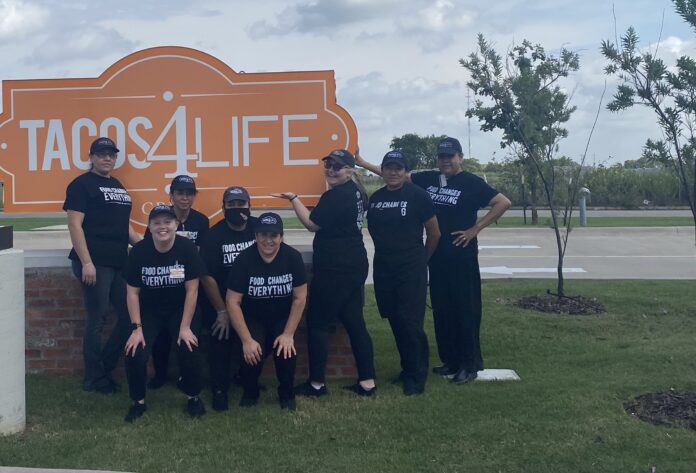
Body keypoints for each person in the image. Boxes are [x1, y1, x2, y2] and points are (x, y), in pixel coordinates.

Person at [356, 137, 511, 385]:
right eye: (442, 157)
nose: (446, 161)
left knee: (465, 310)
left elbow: (503, 202)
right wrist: (362, 162)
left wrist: (475, 229)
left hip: (461, 256)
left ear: (460, 157)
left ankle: (469, 364)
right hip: (436, 257)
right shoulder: (428, 179)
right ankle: (449, 359)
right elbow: (393, 175)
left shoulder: (471, 182)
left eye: (450, 156)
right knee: (442, 310)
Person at [274, 149, 377, 397]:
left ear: (350, 171)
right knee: (355, 323)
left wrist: (294, 199)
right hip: (355, 263)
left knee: (318, 322)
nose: (331, 169)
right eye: (328, 165)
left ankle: (316, 384)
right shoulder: (356, 192)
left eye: (337, 167)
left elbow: (312, 224)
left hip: (335, 268)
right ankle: (367, 381)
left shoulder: (337, 196)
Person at [63, 137, 142, 394]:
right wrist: (87, 262)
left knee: (130, 317)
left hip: (120, 261)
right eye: (102, 154)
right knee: (96, 320)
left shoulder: (118, 185)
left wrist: (143, 245)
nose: (108, 158)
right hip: (95, 262)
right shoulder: (80, 185)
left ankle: (105, 368)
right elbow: (75, 225)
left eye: (112, 154)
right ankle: (94, 379)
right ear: (92, 157)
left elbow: (124, 226)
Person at [366, 150, 440, 395]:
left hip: (411, 267)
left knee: (410, 321)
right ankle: (407, 368)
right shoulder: (375, 198)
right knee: (395, 318)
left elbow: (434, 233)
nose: (393, 172)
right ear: (383, 170)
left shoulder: (418, 195)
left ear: (406, 171)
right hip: (385, 266)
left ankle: (418, 375)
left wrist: (421, 260)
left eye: (398, 168)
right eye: (389, 168)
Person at [122, 205, 206, 422]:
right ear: (149, 226)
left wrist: (185, 327)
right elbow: (132, 292)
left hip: (181, 309)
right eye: (157, 222)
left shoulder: (186, 248)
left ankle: (193, 397)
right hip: (149, 311)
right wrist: (136, 329)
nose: (162, 227)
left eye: (167, 222)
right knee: (135, 350)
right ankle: (138, 402)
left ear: (176, 225)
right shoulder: (139, 251)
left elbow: (192, 290)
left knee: (188, 346)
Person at [225, 213, 307, 410]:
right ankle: (250, 391)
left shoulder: (293, 258)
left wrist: (288, 334)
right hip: (253, 317)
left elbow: (300, 297)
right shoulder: (244, 259)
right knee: (253, 351)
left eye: (273, 235)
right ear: (256, 236)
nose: (268, 240)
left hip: (282, 316)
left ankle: (286, 393)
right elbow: (232, 301)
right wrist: (246, 340)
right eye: (263, 235)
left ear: (281, 236)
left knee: (286, 351)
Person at [145, 175, 209, 389]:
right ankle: (160, 374)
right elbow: (150, 251)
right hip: (161, 287)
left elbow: (199, 256)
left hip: (189, 288)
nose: (184, 198)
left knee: (189, 335)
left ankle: (186, 377)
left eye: (189, 193)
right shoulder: (161, 220)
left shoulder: (201, 221)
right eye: (180, 193)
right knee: (161, 338)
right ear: (171, 196)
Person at [199, 186, 257, 411]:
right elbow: (207, 277)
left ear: (248, 205)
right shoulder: (214, 236)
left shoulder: (258, 228)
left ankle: (245, 377)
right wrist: (222, 311)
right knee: (220, 343)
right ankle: (219, 389)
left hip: (252, 301)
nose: (236, 209)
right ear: (223, 207)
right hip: (220, 301)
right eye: (231, 205)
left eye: (240, 204)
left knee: (261, 337)